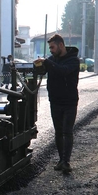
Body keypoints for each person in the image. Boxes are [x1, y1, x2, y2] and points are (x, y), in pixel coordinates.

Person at [33, 34, 79, 174]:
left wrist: (47, 62)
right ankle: (61, 160)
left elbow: (63, 71)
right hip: (55, 101)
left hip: (69, 102)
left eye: (52, 47)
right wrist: (36, 67)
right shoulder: (52, 60)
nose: (51, 50)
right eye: (50, 48)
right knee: (58, 132)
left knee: (67, 131)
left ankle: (66, 161)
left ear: (60, 45)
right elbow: (44, 70)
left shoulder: (73, 60)